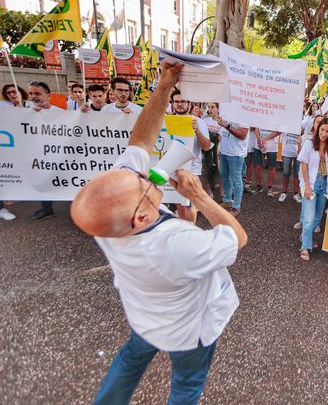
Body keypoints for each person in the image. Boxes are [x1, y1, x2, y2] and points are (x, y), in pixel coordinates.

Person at [70, 60, 248, 404]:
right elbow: (237, 239)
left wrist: (165, 84)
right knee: (185, 387)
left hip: (145, 317)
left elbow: (140, 139)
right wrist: (198, 195)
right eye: (141, 182)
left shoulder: (111, 216)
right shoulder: (176, 243)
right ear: (139, 218)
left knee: (128, 361)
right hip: (189, 331)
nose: (143, 173)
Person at [298, 117, 328, 261]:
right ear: (318, 128)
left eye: (327, 131)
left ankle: (305, 237)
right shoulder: (309, 143)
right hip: (311, 184)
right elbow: (304, 164)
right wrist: (307, 186)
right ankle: (305, 247)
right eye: (322, 130)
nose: (324, 133)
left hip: (324, 185)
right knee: (308, 218)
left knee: (318, 218)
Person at [28, 80, 65, 221]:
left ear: (48, 95)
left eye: (37, 93)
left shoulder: (61, 113)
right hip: (38, 156)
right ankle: (47, 208)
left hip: (59, 155)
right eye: (31, 93)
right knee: (42, 181)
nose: (33, 97)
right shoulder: (25, 113)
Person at [170, 90, 213, 211]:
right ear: (172, 104)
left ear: (189, 104)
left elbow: (206, 147)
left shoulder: (199, 122)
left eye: (183, 101)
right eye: (176, 101)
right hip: (171, 170)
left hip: (191, 170)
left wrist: (197, 131)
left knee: (188, 207)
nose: (179, 104)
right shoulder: (166, 121)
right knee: (174, 207)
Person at [215, 115, 249, 215]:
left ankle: (236, 206)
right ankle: (227, 201)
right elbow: (223, 135)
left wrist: (227, 126)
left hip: (236, 153)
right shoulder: (226, 112)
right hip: (225, 152)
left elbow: (243, 135)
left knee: (236, 179)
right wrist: (220, 148)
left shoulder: (243, 114)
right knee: (224, 176)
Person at [256, 128, 281, 197]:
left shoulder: (277, 117)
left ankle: (270, 187)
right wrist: (258, 138)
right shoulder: (259, 116)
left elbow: (278, 131)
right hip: (259, 146)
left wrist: (264, 139)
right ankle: (258, 186)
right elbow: (256, 127)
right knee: (258, 166)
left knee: (271, 167)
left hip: (272, 147)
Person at [280, 132, 302, 203]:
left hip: (299, 152)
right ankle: (284, 192)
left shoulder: (303, 123)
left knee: (297, 174)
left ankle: (296, 193)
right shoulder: (286, 123)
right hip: (286, 152)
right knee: (286, 173)